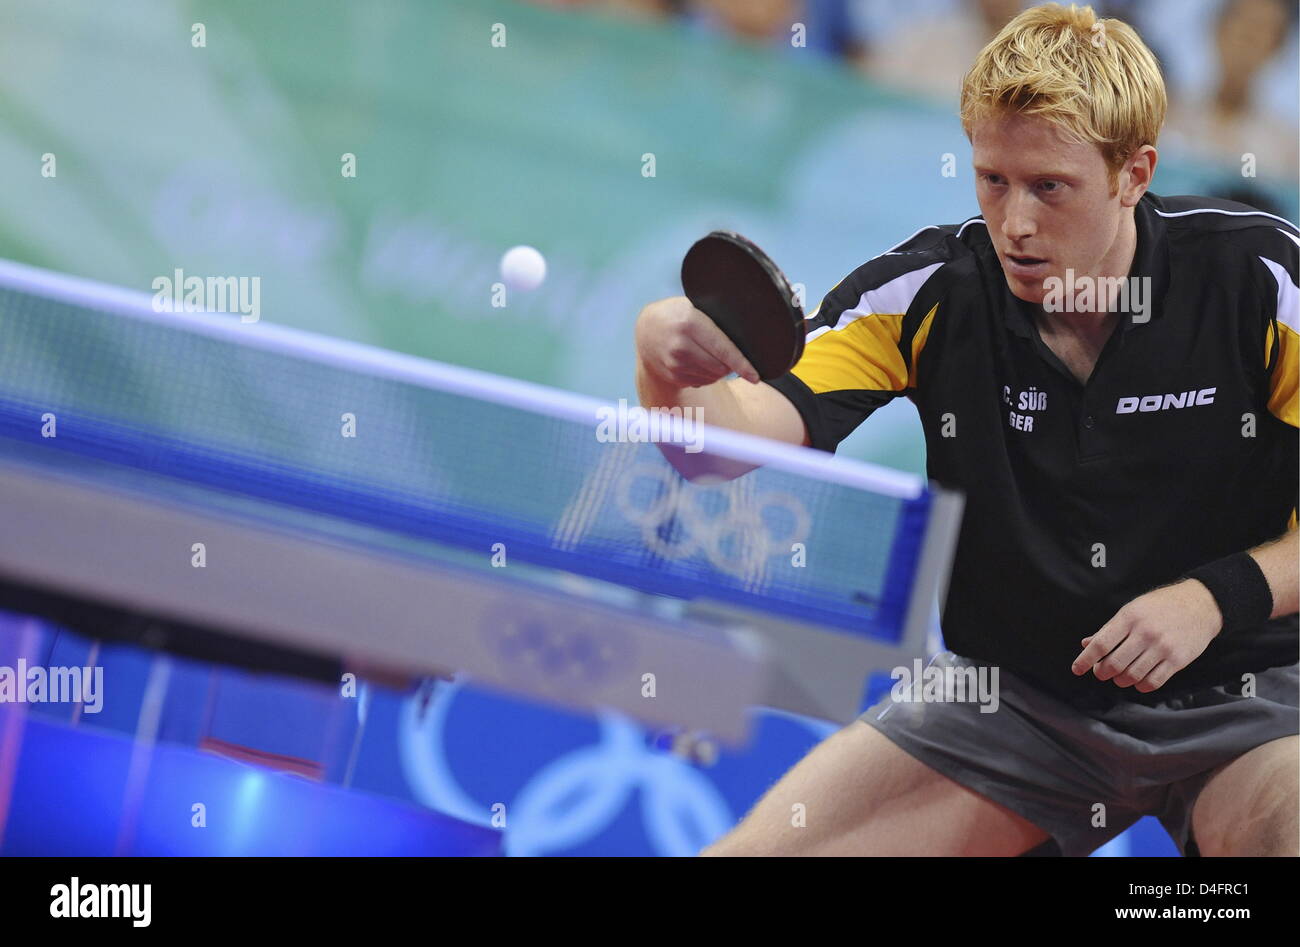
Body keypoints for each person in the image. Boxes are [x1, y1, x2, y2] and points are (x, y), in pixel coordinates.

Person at [633, 2, 1298, 856]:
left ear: (1134, 174)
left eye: (1049, 187)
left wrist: (1215, 596)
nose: (1014, 223)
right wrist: (663, 365)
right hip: (1019, 702)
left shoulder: (1259, 283)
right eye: (993, 180)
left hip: (1252, 694)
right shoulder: (928, 291)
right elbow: (721, 448)